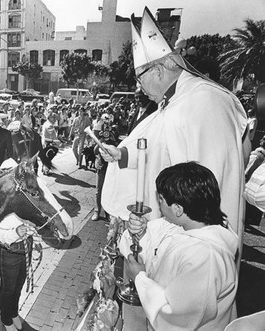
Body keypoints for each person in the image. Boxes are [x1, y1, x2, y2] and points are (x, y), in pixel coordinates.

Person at [100, 8, 248, 250]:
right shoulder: (173, 102)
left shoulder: (204, 101)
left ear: (158, 70)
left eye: (139, 78)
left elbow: (206, 182)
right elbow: (157, 149)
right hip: (174, 225)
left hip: (197, 238)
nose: (139, 87)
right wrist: (122, 155)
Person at [119, 162, 238, 330]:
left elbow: (177, 317)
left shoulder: (205, 258)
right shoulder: (191, 224)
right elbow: (157, 248)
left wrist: (140, 277)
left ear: (177, 209)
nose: (158, 204)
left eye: (160, 199)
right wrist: (141, 233)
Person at [0, 213, 35, 331]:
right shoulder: (4, 207)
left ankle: (13, 312)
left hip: (26, 247)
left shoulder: (26, 206)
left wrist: (35, 239)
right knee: (8, 289)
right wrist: (15, 232)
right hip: (9, 252)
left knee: (18, 286)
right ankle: (5, 318)